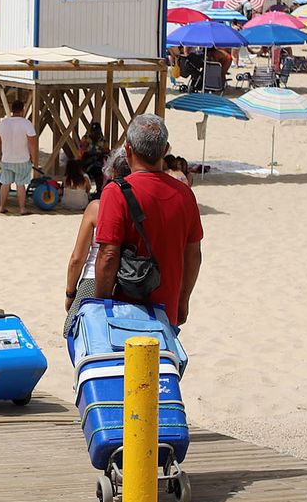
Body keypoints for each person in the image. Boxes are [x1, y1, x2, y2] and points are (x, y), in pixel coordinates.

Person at [93, 114, 203, 328]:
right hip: (165, 310)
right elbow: (193, 255)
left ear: (128, 149)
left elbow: (108, 255)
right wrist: (183, 300)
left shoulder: (116, 193)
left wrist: (100, 305)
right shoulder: (184, 194)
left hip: (124, 311)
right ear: (165, 150)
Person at [63, 151, 130, 336]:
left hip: (95, 278)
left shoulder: (96, 208)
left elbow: (77, 258)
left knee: (73, 331)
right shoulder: (145, 205)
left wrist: (70, 293)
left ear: (112, 173)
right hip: (132, 279)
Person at [0, 99, 39, 215]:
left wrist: (0, 153)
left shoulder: (3, 123)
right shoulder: (26, 123)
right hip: (22, 159)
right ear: (22, 110)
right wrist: (33, 158)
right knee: (20, 184)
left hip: (7, 158)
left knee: (5, 183)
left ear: (12, 110)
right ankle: (22, 208)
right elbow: (33, 143)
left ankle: (2, 207)